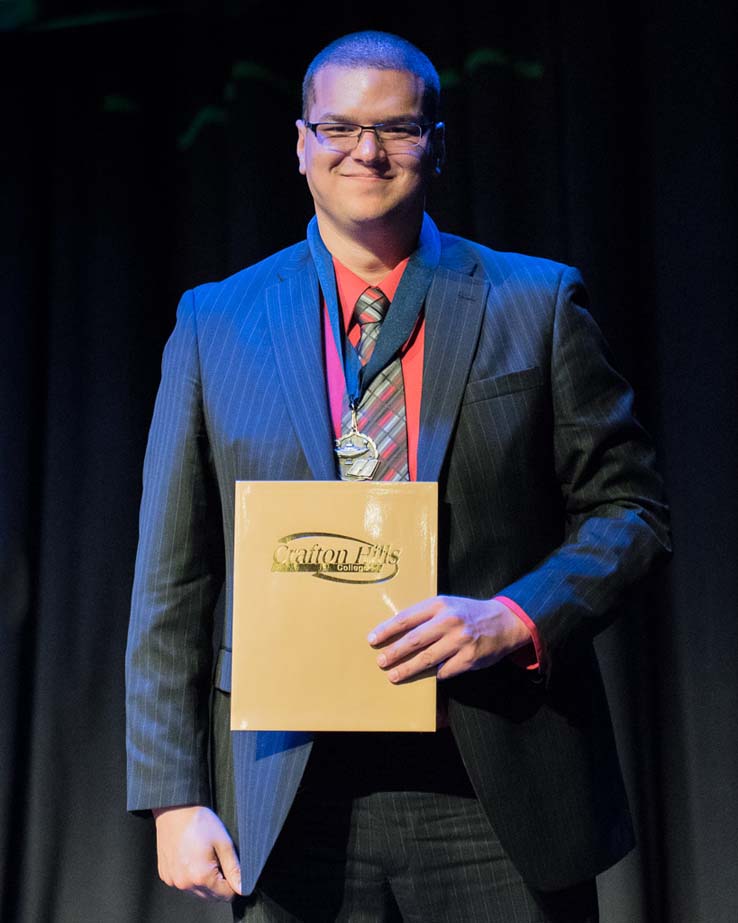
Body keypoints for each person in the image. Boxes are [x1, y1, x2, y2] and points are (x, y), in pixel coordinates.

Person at [125, 29, 671, 922]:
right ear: (300, 144)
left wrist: (515, 616)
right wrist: (172, 795)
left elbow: (633, 512)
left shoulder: (536, 302)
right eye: (338, 128)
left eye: (396, 129)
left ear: (438, 143)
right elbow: (172, 577)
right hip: (287, 793)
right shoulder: (215, 322)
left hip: (497, 787)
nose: (365, 152)